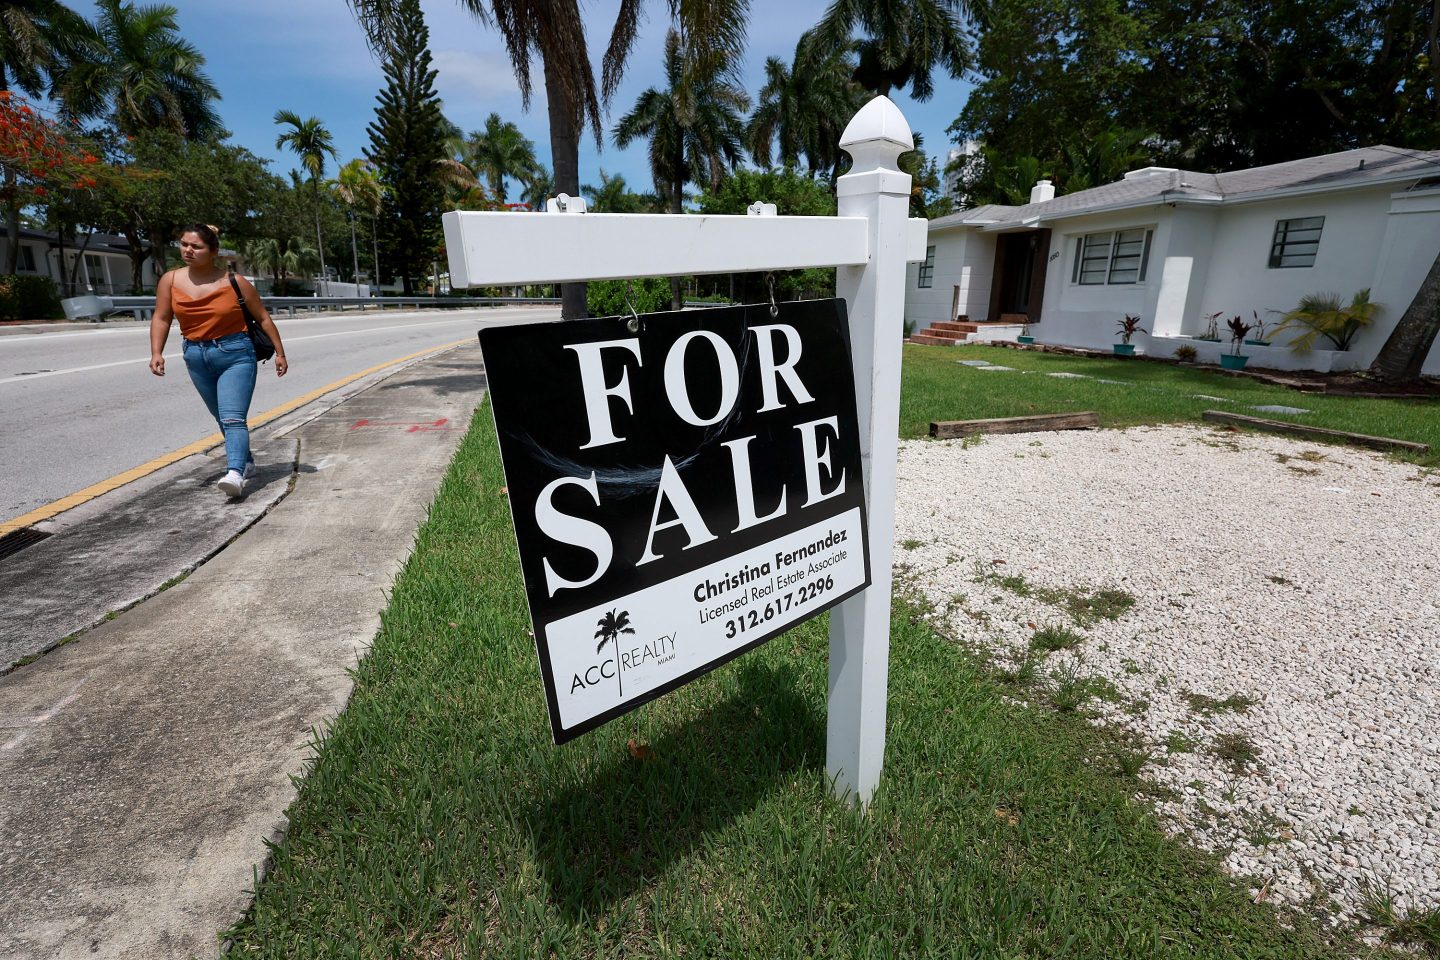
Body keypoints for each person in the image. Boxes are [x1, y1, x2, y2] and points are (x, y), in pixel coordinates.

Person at [148, 224, 289, 498]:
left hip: (236, 353)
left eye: (196, 246)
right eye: (184, 244)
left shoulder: (235, 282)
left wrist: (280, 353)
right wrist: (156, 352)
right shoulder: (170, 280)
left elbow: (262, 318)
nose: (188, 250)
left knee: (233, 417)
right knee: (221, 416)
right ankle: (246, 462)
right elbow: (162, 317)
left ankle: (235, 473)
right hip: (195, 355)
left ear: (213, 251)